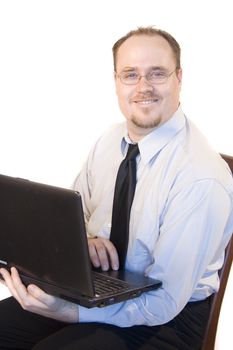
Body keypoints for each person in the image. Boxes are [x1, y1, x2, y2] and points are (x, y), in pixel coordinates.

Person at [0, 26, 233, 350]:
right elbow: (73, 217)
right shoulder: (110, 141)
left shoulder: (200, 177)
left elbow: (165, 301)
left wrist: (72, 313)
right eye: (130, 75)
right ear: (116, 81)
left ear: (179, 78)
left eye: (157, 74)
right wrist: (87, 240)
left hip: (167, 318)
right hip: (100, 285)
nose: (143, 87)